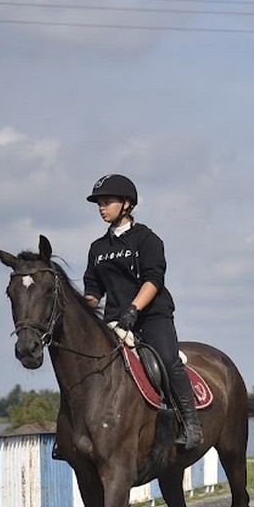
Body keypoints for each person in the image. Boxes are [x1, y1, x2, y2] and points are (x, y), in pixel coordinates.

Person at [82, 173, 202, 450]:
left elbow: (153, 279)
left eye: (107, 201)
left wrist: (134, 309)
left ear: (126, 204)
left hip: (150, 315)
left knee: (169, 359)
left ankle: (191, 423)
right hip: (114, 320)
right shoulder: (97, 248)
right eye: (99, 203)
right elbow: (93, 290)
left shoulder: (147, 240)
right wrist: (80, 308)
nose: (101, 207)